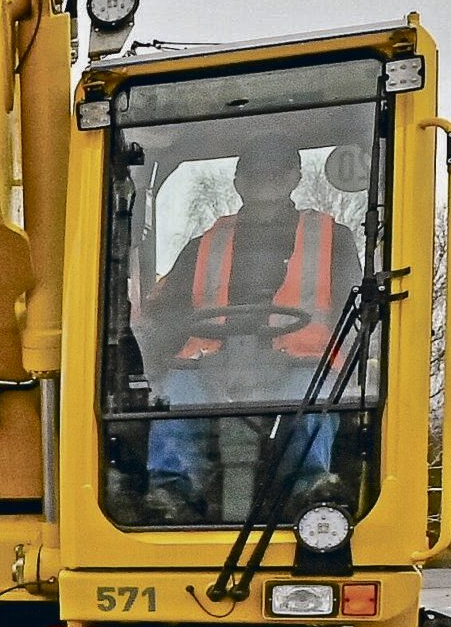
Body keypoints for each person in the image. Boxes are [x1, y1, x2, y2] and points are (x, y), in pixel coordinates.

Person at [139, 142, 361, 521]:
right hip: (208, 360)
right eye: (255, 172)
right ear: (239, 180)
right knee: (174, 401)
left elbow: (353, 304)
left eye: (277, 170)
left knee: (310, 405)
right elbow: (165, 310)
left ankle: (309, 491)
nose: (265, 179)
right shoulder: (204, 244)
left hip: (300, 359)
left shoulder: (332, 238)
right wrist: (151, 355)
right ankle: (172, 494)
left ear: (295, 177)